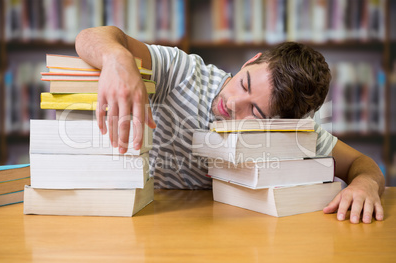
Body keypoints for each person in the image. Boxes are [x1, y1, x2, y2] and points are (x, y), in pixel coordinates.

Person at [75, 26, 385, 224]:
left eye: (256, 112)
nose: (233, 103)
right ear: (252, 60)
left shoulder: (289, 133)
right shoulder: (184, 72)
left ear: (279, 125)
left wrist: (365, 184)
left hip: (223, 234)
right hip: (145, 216)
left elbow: (361, 163)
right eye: (245, 83)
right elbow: (89, 36)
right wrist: (118, 59)